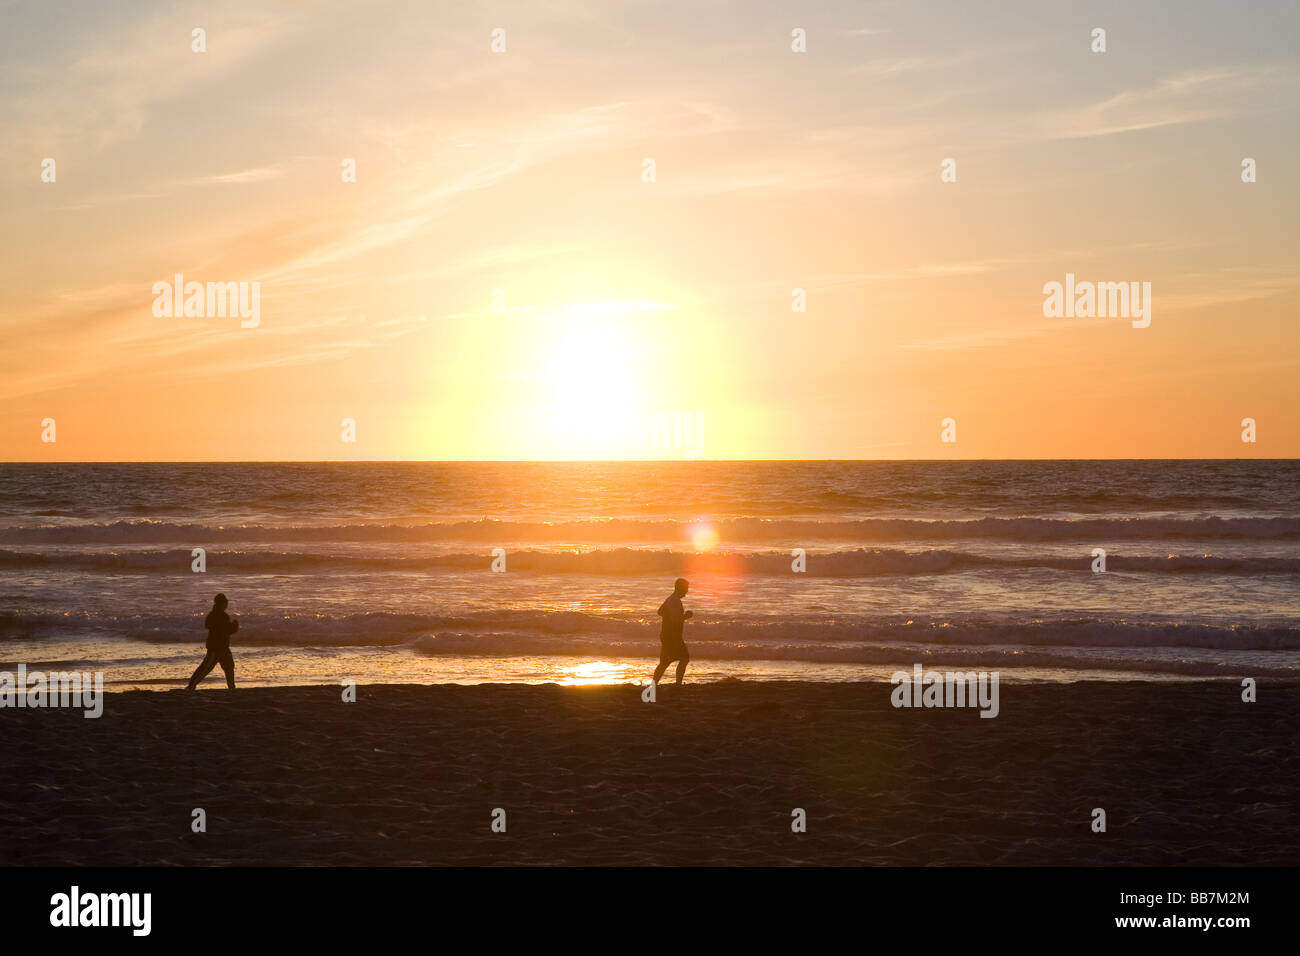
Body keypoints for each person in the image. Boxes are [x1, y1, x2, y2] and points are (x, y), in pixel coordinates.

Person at [186, 593, 238, 690]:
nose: (227, 604)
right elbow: (225, 630)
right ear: (221, 604)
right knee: (206, 668)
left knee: (229, 667)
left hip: (223, 647)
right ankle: (191, 686)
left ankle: (232, 688)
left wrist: (233, 627)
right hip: (215, 648)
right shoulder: (217, 615)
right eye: (225, 603)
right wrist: (234, 626)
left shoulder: (218, 615)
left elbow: (223, 630)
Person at [652, 577, 693, 687]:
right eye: (686, 588)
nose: (687, 591)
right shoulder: (675, 601)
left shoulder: (670, 599)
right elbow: (675, 619)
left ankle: (654, 685)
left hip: (667, 634)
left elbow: (660, 611)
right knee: (684, 658)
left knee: (665, 662)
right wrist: (686, 616)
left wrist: (667, 617)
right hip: (672, 636)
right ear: (680, 588)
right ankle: (678, 684)